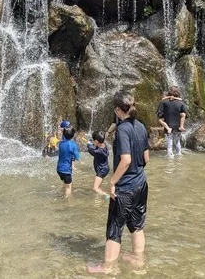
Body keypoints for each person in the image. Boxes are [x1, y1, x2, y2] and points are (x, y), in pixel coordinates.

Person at [88, 90, 150, 274]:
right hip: (141, 184)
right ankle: (138, 259)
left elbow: (126, 160)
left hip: (125, 188)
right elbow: (146, 157)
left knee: (114, 228)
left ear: (117, 109)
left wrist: (113, 182)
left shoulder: (122, 129)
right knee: (137, 224)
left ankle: (108, 268)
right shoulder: (141, 126)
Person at [157, 86, 188, 158]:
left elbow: (160, 115)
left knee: (169, 144)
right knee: (177, 142)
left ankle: (170, 160)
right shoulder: (181, 103)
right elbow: (185, 115)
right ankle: (179, 156)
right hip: (177, 126)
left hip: (168, 126)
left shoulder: (163, 102)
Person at [57, 127, 81, 197]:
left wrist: (63, 131)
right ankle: (67, 201)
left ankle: (62, 193)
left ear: (63, 135)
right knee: (69, 187)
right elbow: (77, 156)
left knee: (64, 183)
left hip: (59, 169)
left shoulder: (60, 143)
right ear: (73, 136)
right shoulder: (73, 145)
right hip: (66, 170)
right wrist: (79, 159)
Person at [87, 131, 110, 199]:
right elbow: (96, 146)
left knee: (95, 188)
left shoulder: (98, 152)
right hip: (104, 168)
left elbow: (91, 150)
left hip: (101, 170)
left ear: (96, 141)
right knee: (98, 187)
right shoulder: (104, 146)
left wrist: (89, 144)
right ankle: (99, 200)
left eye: (93, 140)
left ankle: (106, 195)